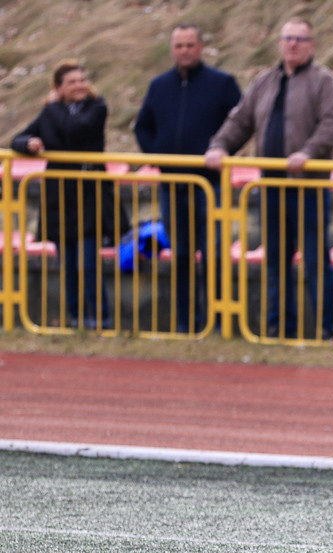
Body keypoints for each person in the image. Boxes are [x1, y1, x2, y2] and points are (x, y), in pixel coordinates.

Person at [205, 17, 333, 340]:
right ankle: (279, 328)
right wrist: (219, 145)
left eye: (300, 39)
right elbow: (240, 121)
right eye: (287, 38)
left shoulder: (325, 82)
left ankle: (327, 330)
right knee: (276, 261)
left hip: (309, 187)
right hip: (270, 187)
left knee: (315, 260)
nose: (293, 44)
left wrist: (308, 152)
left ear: (312, 45)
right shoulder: (264, 82)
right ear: (280, 43)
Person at [134, 23, 242, 333]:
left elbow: (241, 124)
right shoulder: (159, 86)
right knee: (181, 256)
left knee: (213, 255)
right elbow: (142, 127)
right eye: (179, 45)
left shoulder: (222, 84)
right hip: (172, 187)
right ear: (172, 49)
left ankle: (216, 320)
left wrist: (222, 151)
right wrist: (158, 157)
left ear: (201, 47)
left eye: (190, 45)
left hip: (210, 186)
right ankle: (186, 321)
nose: (184, 51)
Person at [11, 59, 111, 329]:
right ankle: (76, 320)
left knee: (88, 263)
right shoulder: (50, 112)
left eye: (82, 80)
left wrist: (54, 106)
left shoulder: (96, 107)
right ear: (58, 87)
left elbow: (76, 129)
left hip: (88, 195)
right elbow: (17, 139)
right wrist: (29, 143)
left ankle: (100, 320)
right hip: (60, 198)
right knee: (68, 265)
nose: (80, 85)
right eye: (72, 82)